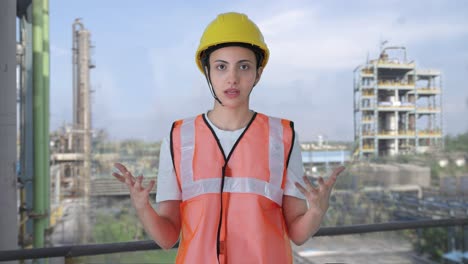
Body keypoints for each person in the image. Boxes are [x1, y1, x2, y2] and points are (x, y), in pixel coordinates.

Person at [112, 12, 345, 264]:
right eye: (221, 66)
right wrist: (142, 206)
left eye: (243, 66)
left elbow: (298, 234)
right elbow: (168, 237)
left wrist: (318, 210)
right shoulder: (179, 138)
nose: (232, 78)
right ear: (207, 72)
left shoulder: (282, 137)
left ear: (258, 73)